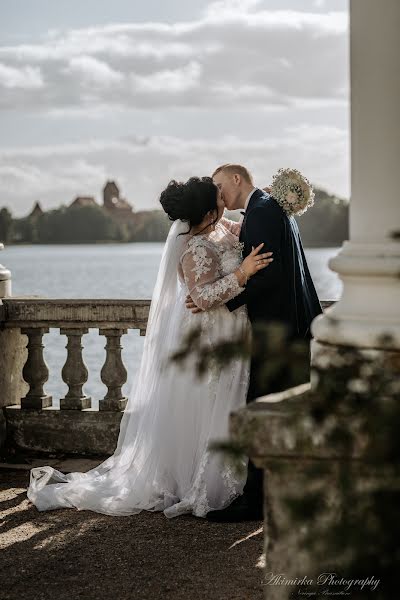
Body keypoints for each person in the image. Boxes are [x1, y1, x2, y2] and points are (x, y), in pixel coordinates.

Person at [26, 176, 273, 519]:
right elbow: (200, 297)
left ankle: (239, 478)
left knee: (231, 403)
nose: (224, 196)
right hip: (211, 339)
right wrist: (242, 274)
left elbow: (245, 227)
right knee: (214, 404)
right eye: (219, 195)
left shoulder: (220, 229)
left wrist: (270, 200)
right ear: (207, 209)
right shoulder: (193, 247)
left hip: (234, 332)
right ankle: (202, 483)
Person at [186, 164, 323, 522]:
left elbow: (269, 272)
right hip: (292, 324)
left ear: (236, 179)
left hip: (276, 328)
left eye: (220, 185)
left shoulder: (262, 211)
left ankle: (254, 501)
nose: (220, 195)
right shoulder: (267, 208)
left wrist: (221, 302)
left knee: (262, 412)